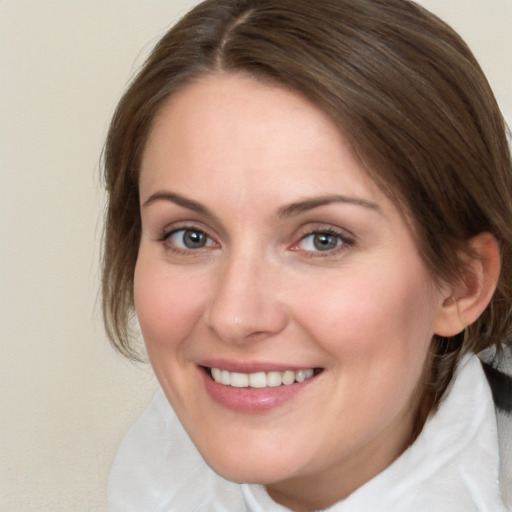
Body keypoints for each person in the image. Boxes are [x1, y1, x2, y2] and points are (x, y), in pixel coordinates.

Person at [102, 0, 512, 510]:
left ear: (460, 284)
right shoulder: (153, 466)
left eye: (323, 239)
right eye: (191, 236)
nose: (234, 317)